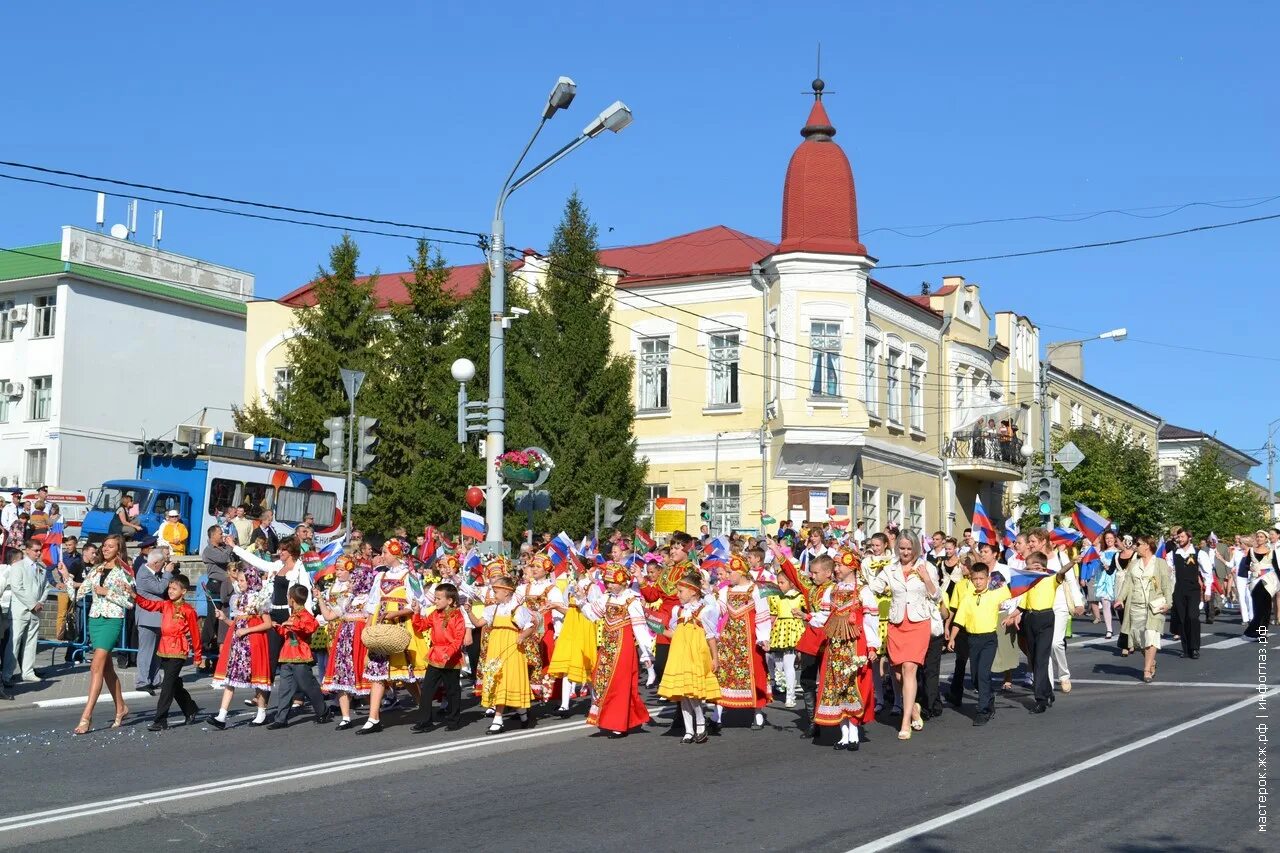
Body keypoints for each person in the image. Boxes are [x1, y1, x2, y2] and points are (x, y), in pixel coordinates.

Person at [869, 535, 939, 740]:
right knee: (898, 674)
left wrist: (926, 577)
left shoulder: (927, 566)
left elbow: (936, 596)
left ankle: (905, 721)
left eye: (909, 549)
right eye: (902, 548)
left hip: (919, 623)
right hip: (897, 623)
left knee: (910, 668)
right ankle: (914, 709)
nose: (906, 553)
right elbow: (874, 588)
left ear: (916, 548)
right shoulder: (890, 568)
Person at [809, 551, 879, 751]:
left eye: (839, 565)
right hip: (835, 647)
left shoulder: (863, 591)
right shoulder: (831, 591)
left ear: (852, 566)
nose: (836, 569)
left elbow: (871, 620)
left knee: (853, 685)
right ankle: (844, 735)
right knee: (837, 686)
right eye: (836, 565)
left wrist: (872, 646)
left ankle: (854, 733)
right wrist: (807, 617)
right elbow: (824, 616)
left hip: (855, 645)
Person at [579, 562, 655, 738]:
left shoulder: (631, 601)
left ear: (623, 581)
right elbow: (592, 614)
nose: (609, 585)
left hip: (624, 648)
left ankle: (618, 724)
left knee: (619, 684)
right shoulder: (607, 598)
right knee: (602, 680)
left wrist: (645, 653)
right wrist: (582, 600)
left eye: (612, 582)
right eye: (607, 582)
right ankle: (614, 719)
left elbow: (640, 628)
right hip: (607, 647)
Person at [359, 539, 428, 734]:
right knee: (377, 672)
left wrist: (396, 613)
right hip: (381, 628)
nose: (382, 556)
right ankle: (373, 718)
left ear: (396, 553)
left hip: (400, 626)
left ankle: (424, 707)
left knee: (405, 674)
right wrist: (368, 628)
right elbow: (372, 605)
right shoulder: (379, 576)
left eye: (385, 553)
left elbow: (418, 603)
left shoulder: (409, 575)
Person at [70, 534, 135, 734]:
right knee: (106, 670)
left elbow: (130, 601)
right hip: (95, 619)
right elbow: (79, 594)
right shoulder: (96, 569)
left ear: (119, 549)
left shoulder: (125, 571)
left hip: (112, 620)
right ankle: (121, 707)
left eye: (110, 546)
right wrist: (67, 581)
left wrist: (108, 593)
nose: (105, 549)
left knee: (95, 667)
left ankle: (86, 717)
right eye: (104, 546)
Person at [656, 572, 721, 744]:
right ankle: (689, 730)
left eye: (680, 591)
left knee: (693, 694)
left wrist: (715, 658)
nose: (678, 595)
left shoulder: (705, 611)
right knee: (683, 694)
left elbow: (710, 636)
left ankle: (700, 724)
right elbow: (674, 633)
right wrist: (656, 626)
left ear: (693, 592)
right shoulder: (678, 611)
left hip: (697, 654)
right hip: (680, 654)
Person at [468, 575, 535, 735]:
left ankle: (498, 720)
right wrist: (469, 611)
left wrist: (522, 636)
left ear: (506, 592)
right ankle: (523, 714)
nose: (493, 594)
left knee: (507, 681)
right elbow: (478, 623)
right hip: (495, 648)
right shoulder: (493, 609)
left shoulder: (517, 609)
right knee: (498, 681)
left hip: (512, 649)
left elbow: (531, 626)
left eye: (496, 591)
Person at [134, 573, 203, 731]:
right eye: (170, 588)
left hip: (179, 649)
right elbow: (148, 604)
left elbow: (195, 634)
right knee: (174, 683)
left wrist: (198, 655)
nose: (170, 591)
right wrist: (134, 595)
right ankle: (190, 708)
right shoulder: (165, 604)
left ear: (183, 591)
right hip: (164, 648)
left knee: (167, 685)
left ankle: (160, 720)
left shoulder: (188, 610)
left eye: (174, 588)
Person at [207, 566, 274, 729]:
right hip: (239, 644)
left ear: (251, 581)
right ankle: (221, 716)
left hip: (254, 643)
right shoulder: (239, 599)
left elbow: (268, 624)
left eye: (242, 580)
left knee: (257, 678)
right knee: (231, 679)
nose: (239, 582)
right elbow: (236, 625)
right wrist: (224, 618)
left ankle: (261, 713)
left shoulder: (259, 599)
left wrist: (247, 630)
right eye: (239, 579)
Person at [1009, 550, 1075, 711]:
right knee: (1035, 659)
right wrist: (1011, 616)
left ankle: (1040, 699)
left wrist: (1072, 562)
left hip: (1045, 618)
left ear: (1040, 567)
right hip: (1030, 619)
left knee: (1041, 659)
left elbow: (1061, 573)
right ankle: (1047, 692)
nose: (1027, 569)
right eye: (1027, 567)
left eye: (1030, 567)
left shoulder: (1050, 579)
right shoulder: (1028, 583)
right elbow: (1022, 605)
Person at [948, 562, 1013, 725]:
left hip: (989, 639)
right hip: (972, 639)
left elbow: (1011, 590)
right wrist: (952, 638)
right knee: (976, 677)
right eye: (975, 578)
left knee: (983, 673)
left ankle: (983, 709)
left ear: (987, 579)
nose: (978, 581)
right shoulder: (967, 599)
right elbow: (959, 620)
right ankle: (989, 695)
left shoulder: (994, 594)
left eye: (981, 578)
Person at [713, 555, 774, 731]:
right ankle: (717, 715)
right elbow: (719, 609)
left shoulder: (755, 589)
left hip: (749, 640)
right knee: (724, 673)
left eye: (730, 572)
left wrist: (764, 637)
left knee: (754, 673)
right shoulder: (726, 590)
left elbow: (763, 614)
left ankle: (757, 713)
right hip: (729, 639)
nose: (727, 575)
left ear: (741, 571)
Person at [321, 557, 375, 730]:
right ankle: (346, 717)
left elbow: (371, 620)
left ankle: (374, 714)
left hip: (360, 640)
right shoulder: (347, 599)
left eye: (354, 580)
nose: (350, 583)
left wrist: (367, 639)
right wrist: (320, 599)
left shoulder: (369, 599)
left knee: (364, 675)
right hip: (344, 639)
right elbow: (330, 616)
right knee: (342, 675)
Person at [267, 585, 331, 729]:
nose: (287, 599)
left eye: (288, 596)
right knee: (285, 689)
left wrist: (293, 623)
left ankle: (323, 711)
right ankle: (281, 719)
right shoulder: (293, 614)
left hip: (300, 656)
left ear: (292, 599)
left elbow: (311, 627)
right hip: (287, 655)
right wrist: (278, 626)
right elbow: (288, 633)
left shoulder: (305, 615)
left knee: (308, 686)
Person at [1114, 535, 1172, 682]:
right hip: (1135, 606)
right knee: (1139, 641)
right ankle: (1151, 661)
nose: (1135, 546)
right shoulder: (1134, 564)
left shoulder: (1160, 563)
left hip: (1154, 607)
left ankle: (1146, 670)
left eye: (1138, 544)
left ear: (1147, 545)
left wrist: (1169, 603)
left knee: (1151, 636)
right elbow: (1127, 583)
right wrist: (1120, 599)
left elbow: (1166, 585)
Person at [411, 582, 467, 733]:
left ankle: (454, 720)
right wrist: (416, 613)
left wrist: (449, 652)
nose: (435, 601)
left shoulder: (457, 616)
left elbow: (458, 638)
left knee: (452, 690)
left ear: (449, 601)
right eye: (435, 598)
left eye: (438, 598)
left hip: (450, 658)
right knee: (427, 689)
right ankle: (424, 721)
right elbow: (421, 626)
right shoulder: (435, 614)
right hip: (435, 655)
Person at [4, 538, 49, 688]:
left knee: (31, 642)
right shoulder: (18, 566)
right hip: (20, 610)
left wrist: (41, 602)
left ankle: (28, 671)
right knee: (14, 642)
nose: (38, 553)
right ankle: (7, 674)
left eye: (39, 550)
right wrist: (32, 604)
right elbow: (17, 587)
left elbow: (47, 587)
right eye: (35, 550)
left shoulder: (42, 568)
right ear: (27, 550)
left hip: (35, 611)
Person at [133, 549, 174, 695]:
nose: (164, 566)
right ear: (156, 563)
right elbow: (159, 588)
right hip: (147, 618)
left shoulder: (155, 574)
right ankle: (142, 681)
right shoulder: (143, 573)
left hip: (157, 618)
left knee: (157, 652)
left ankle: (155, 679)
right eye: (162, 563)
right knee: (146, 651)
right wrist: (167, 573)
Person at [1167, 527, 1207, 659]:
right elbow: (1168, 571)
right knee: (1182, 619)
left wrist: (1209, 590)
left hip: (1193, 589)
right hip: (1179, 590)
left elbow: (1207, 572)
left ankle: (1194, 647)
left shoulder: (1198, 553)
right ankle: (1185, 649)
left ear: (1189, 538)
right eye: (1178, 537)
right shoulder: (1172, 554)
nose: (1180, 539)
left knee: (1193, 617)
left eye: (1182, 537)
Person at [768, 571, 805, 708]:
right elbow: (773, 616)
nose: (779, 585)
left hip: (793, 629)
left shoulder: (799, 597)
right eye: (778, 582)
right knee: (779, 663)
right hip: (779, 630)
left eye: (782, 582)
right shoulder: (775, 597)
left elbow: (806, 612)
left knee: (789, 663)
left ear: (791, 583)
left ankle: (790, 695)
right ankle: (782, 686)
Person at [1242, 531, 1277, 638]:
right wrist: (1250, 568)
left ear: (1266, 539)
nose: (1259, 538)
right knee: (1258, 608)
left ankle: (1262, 632)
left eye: (1261, 537)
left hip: (1268, 581)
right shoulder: (1251, 551)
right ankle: (1253, 631)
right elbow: (1246, 564)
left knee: (1266, 609)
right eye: (1258, 536)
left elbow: (1276, 567)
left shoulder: (1271, 551)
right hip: (1255, 581)